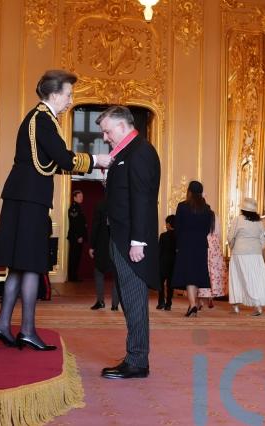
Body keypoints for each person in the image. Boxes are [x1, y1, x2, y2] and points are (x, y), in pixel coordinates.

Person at [0, 70, 112, 350]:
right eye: (68, 95)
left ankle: (2, 324)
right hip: (29, 199)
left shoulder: (40, 118)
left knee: (19, 266)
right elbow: (63, 159)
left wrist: (88, 164)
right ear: (55, 95)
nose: (70, 101)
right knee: (32, 265)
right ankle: (27, 330)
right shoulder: (43, 119)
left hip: (24, 196)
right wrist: (97, 160)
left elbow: (48, 164)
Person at [98, 105, 160, 379]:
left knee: (134, 300)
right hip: (121, 238)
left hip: (131, 242)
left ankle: (137, 361)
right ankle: (135, 356)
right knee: (128, 299)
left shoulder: (140, 152)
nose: (105, 137)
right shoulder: (126, 153)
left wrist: (138, 242)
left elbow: (142, 200)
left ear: (122, 126)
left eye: (107, 131)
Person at [171, 180, 214, 317]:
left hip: (186, 244)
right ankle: (192, 304)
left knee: (189, 275)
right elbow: (207, 229)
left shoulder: (182, 206)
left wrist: (178, 245)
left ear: (189, 191)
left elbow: (177, 228)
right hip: (201, 245)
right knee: (195, 275)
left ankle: (193, 305)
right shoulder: (207, 209)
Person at [227, 197, 265, 316]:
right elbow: (262, 241)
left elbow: (230, 237)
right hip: (256, 254)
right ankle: (258, 306)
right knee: (255, 279)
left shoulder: (238, 219)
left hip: (240, 252)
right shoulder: (259, 222)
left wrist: (232, 247)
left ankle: (236, 306)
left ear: (243, 209)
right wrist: (257, 249)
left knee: (236, 278)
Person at [89, 197, 119, 311]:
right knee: (117, 274)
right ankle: (115, 304)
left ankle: (100, 301)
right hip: (118, 245)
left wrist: (92, 246)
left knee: (99, 271)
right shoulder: (123, 203)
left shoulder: (101, 204)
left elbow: (95, 226)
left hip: (102, 243)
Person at [67, 189, 87, 282]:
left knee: (76, 257)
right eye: (79, 196)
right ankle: (72, 277)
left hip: (77, 237)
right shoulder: (74, 208)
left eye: (82, 196)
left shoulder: (78, 207)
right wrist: (79, 236)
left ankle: (74, 276)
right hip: (75, 237)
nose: (81, 198)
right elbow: (75, 224)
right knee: (74, 257)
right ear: (74, 198)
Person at [157, 215, 176, 311]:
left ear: (168, 224)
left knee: (160, 283)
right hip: (173, 263)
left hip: (163, 262)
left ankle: (161, 302)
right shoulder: (178, 235)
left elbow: (159, 250)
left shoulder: (163, 236)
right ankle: (168, 303)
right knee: (170, 285)